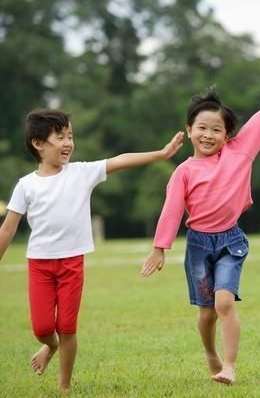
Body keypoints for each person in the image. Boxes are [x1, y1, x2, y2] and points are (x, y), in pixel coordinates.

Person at [0, 108, 184, 391]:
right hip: (39, 264)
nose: (68, 143)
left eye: (70, 136)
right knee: (42, 329)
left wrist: (160, 154)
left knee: (68, 327)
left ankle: (64, 386)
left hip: (72, 263)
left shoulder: (81, 172)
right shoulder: (26, 186)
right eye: (59, 137)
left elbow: (120, 160)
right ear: (38, 144)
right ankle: (50, 347)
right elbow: (7, 228)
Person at [140, 83, 260, 385]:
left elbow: (258, 125)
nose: (208, 135)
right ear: (189, 130)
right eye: (202, 128)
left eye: (217, 130)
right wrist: (159, 247)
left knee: (224, 304)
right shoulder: (184, 172)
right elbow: (172, 211)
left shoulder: (239, 153)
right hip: (198, 247)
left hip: (231, 241)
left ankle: (229, 367)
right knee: (207, 315)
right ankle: (210, 355)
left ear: (227, 136)